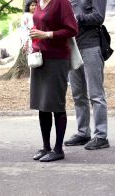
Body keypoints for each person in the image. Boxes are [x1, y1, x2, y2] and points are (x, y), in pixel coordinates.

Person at [29, 0, 78, 162]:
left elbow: (72, 29)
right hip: (39, 59)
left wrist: (46, 35)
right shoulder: (38, 2)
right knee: (42, 105)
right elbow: (39, 24)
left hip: (57, 59)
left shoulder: (61, 2)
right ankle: (46, 147)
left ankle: (58, 149)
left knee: (56, 104)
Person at [64, 0, 110, 150]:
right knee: (78, 94)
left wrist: (78, 18)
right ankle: (83, 133)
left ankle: (101, 136)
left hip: (91, 46)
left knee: (96, 94)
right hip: (72, 48)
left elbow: (99, 16)